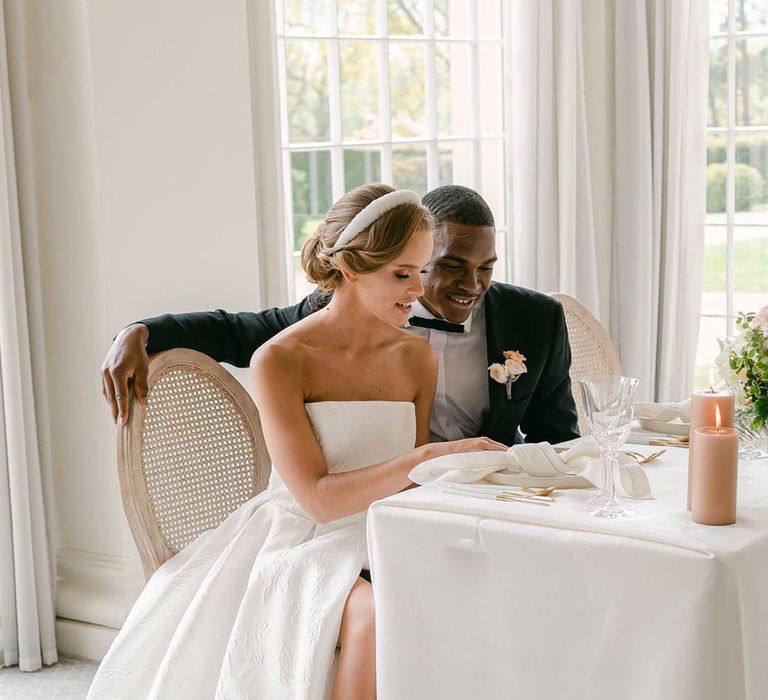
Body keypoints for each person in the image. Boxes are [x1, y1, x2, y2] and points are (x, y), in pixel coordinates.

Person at [88, 184, 506, 699]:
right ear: (351, 268)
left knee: (496, 582)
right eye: (402, 274)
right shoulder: (280, 358)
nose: (418, 290)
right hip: (302, 540)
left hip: (383, 530)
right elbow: (319, 500)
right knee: (372, 614)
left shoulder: (416, 357)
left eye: (422, 272)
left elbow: (403, 491)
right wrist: (431, 457)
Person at [102, 185, 580, 445]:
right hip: (381, 510)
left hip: (490, 506)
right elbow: (237, 330)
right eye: (449, 266)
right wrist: (141, 330)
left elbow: (558, 439)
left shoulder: (535, 319)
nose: (471, 285)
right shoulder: (342, 313)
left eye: (486, 269)